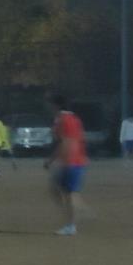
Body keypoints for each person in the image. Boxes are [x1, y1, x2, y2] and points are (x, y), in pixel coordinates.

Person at [46, 94, 88, 236]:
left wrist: (52, 160)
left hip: (69, 161)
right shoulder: (75, 119)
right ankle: (77, 213)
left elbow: (64, 142)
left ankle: (71, 224)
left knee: (64, 192)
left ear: (55, 106)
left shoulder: (62, 120)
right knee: (63, 191)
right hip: (78, 159)